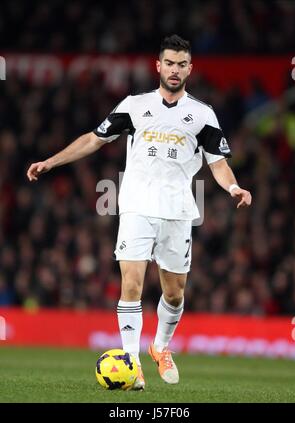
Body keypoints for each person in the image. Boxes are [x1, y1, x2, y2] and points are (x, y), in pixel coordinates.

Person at [27, 34, 252, 390]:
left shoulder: (202, 115)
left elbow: (218, 164)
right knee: (130, 284)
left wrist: (233, 187)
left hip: (178, 211)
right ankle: (131, 363)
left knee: (175, 293)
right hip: (136, 207)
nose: (174, 70)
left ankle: (160, 348)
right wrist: (51, 161)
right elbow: (94, 138)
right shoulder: (134, 105)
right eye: (169, 63)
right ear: (158, 65)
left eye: (181, 64)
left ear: (189, 69)